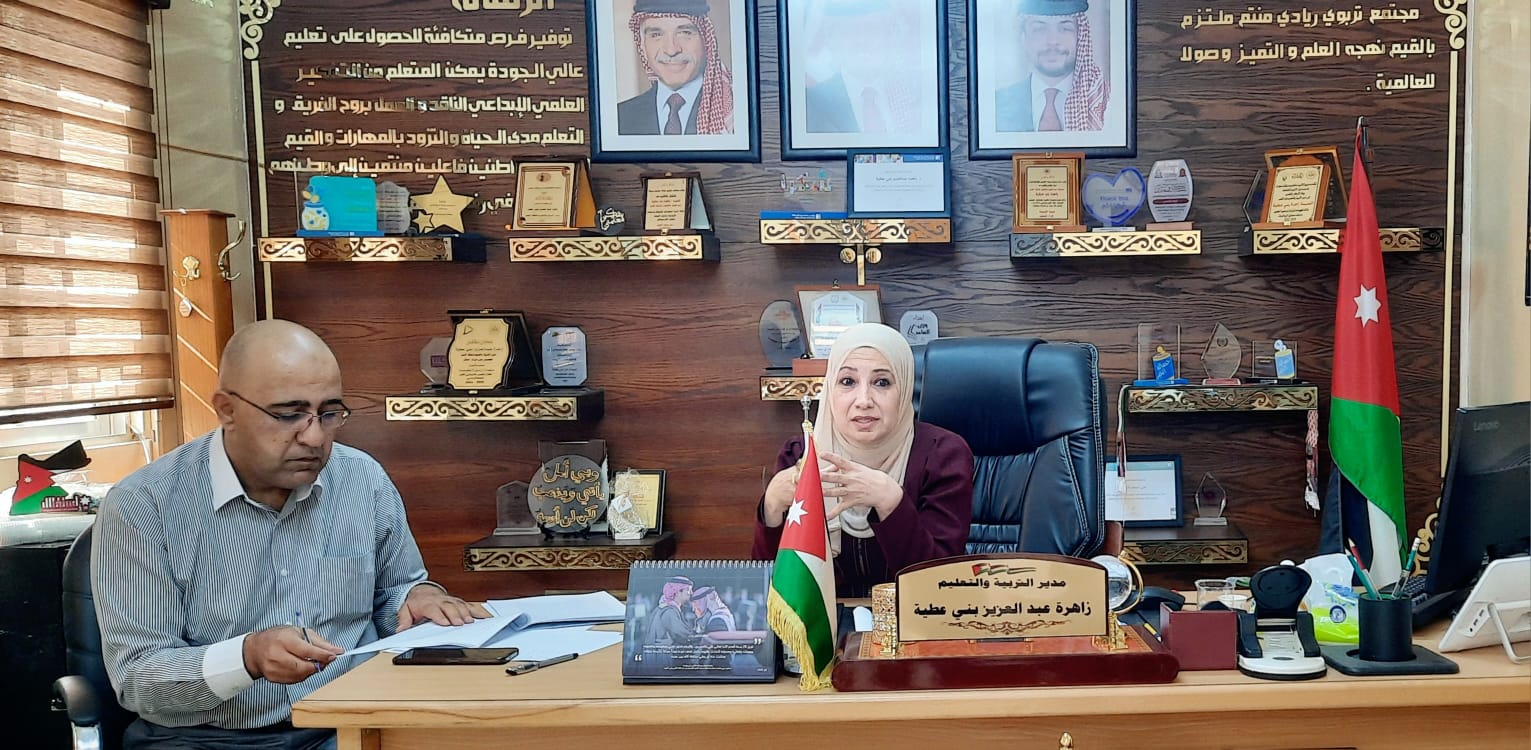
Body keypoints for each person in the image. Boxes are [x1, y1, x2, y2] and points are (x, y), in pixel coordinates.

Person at [92, 319, 488, 750]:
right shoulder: (143, 505)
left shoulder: (362, 479)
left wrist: (420, 599)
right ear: (226, 409)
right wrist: (247, 657)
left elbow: (395, 593)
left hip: (349, 724)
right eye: (288, 415)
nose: (314, 437)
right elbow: (138, 678)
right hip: (201, 738)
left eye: (329, 413)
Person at [751, 323, 975, 598]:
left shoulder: (943, 456)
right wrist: (772, 506)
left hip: (914, 618)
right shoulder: (800, 455)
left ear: (905, 388)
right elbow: (773, 593)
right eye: (848, 382)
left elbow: (941, 586)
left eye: (882, 382)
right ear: (830, 389)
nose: (864, 400)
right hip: (827, 622)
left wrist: (890, 502)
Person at [800, 0, 926, 134]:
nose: (862, 41)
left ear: (889, 35)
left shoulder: (919, 93)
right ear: (831, 40)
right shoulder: (811, 105)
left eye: (871, 27)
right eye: (849, 31)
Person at [616, 0, 734, 135]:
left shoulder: (734, 113)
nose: (671, 50)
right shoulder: (619, 118)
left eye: (685, 33)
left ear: (705, 40)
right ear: (642, 45)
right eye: (656, 35)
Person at [994, 0, 1109, 132]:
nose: (1052, 41)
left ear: (1080, 36)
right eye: (1039, 29)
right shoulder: (997, 105)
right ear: (1023, 38)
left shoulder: (1107, 102)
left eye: (1065, 28)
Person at [645, 576, 700, 645]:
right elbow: (685, 636)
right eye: (688, 590)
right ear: (677, 592)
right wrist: (703, 635)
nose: (691, 593)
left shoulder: (665, 608)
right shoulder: (670, 612)